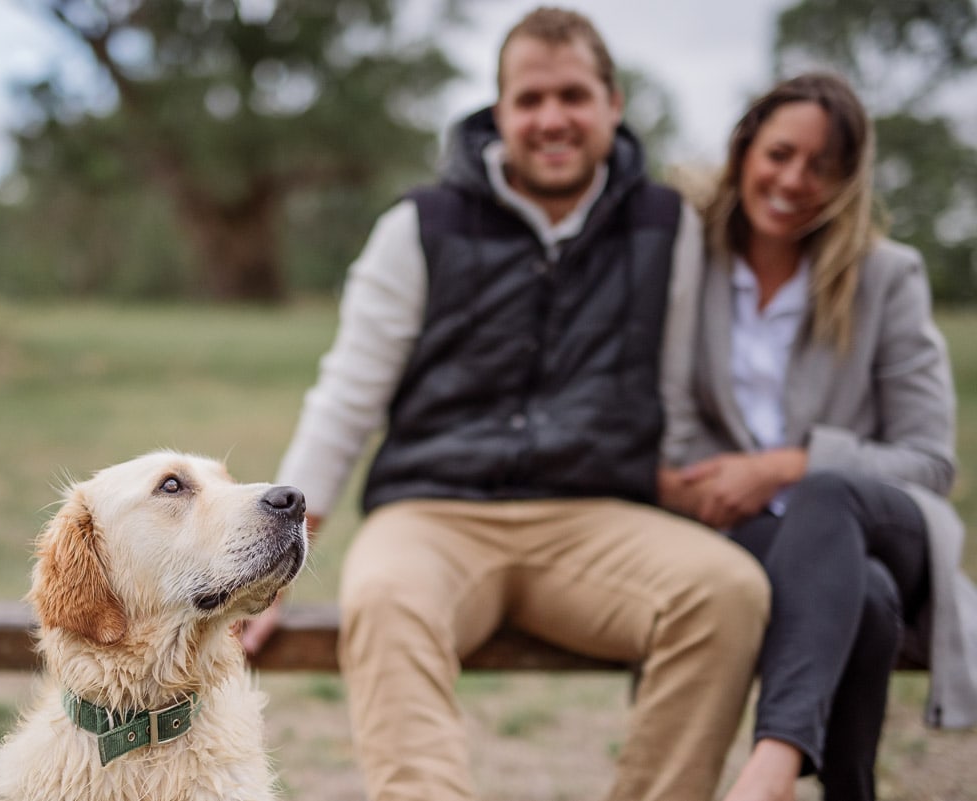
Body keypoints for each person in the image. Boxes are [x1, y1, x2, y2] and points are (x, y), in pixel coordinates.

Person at [241, 8, 770, 801]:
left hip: (594, 515)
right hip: (434, 513)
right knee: (384, 596)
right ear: (499, 111)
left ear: (612, 103)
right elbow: (348, 391)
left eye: (572, 95)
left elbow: (672, 390)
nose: (551, 119)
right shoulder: (420, 225)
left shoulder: (668, 227)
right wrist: (274, 563)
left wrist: (700, 486)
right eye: (528, 100)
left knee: (728, 591)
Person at [661, 72, 977, 801]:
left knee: (827, 494)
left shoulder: (888, 278)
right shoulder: (692, 263)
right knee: (859, 598)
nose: (793, 179)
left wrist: (785, 466)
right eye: (780, 153)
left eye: (822, 166)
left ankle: (768, 770)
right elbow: (672, 425)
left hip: (885, 519)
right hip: (750, 531)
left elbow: (930, 460)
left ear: (847, 181)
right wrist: (698, 483)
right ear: (744, 150)